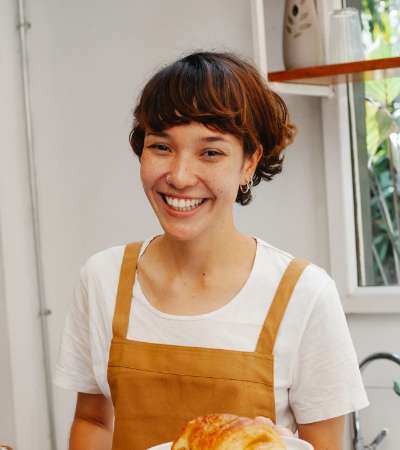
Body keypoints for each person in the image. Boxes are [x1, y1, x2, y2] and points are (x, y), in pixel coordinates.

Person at [54, 51, 369, 450]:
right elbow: (93, 421)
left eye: (210, 152)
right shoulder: (103, 279)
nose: (180, 176)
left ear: (249, 162)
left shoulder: (304, 294)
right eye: (161, 147)